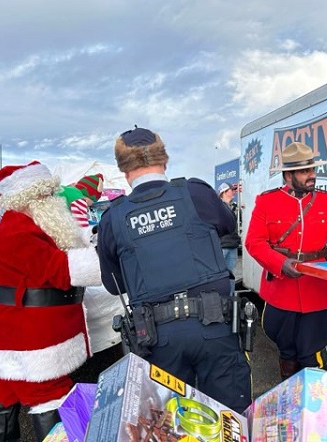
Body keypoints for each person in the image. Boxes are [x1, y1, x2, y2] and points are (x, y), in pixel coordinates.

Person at [96, 127, 252, 413]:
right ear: (164, 160)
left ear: (123, 169)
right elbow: (229, 225)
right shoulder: (195, 192)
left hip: (157, 341)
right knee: (230, 420)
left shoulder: (113, 218)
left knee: (170, 425)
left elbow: (113, 284)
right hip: (215, 328)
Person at [0, 161, 102, 442]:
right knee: (49, 392)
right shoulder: (17, 230)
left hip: (16, 331)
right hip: (30, 339)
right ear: (28, 198)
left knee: (5, 387)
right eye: (46, 194)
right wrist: (106, 259)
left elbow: (65, 239)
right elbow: (60, 269)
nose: (54, 199)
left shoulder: (28, 223)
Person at [245, 142, 327, 381]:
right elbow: (254, 242)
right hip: (281, 292)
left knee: (312, 356)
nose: (312, 176)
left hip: (316, 292)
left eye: (312, 170)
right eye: (305, 171)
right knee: (287, 354)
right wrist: (281, 264)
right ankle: (290, 402)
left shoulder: (326, 200)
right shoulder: (266, 202)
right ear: (288, 175)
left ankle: (312, 411)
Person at [217, 181, 241, 295]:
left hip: (232, 245)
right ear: (224, 192)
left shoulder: (232, 207)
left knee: (230, 273)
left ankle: (229, 298)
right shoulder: (218, 206)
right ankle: (221, 298)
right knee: (221, 273)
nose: (234, 192)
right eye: (232, 190)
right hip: (223, 245)